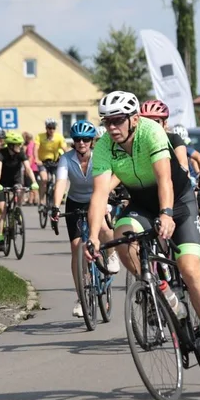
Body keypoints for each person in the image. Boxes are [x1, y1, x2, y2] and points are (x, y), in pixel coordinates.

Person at [86, 90, 200, 377]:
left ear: (134, 119)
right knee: (122, 234)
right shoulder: (104, 146)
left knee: (189, 269)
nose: (112, 127)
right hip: (141, 203)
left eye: (117, 120)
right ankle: (154, 287)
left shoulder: (151, 132)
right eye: (107, 121)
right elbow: (100, 193)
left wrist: (166, 213)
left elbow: (165, 177)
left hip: (177, 200)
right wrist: (92, 235)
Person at [49, 120, 121, 317]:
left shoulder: (100, 156)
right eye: (78, 139)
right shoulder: (66, 159)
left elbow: (112, 176)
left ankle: (112, 255)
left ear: (92, 141)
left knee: (105, 230)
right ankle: (82, 296)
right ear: (73, 141)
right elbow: (61, 183)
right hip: (75, 202)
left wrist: (107, 197)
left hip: (99, 198)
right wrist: (55, 206)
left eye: (86, 139)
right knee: (76, 248)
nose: (82, 143)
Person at [0, 130, 35, 251]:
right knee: (2, 209)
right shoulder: (1, 154)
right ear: (10, 145)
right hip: (1, 183)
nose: (20, 147)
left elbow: (28, 168)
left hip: (15, 180)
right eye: (17, 145)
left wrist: (34, 182)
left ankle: (17, 210)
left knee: (20, 190)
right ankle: (1, 236)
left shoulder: (21, 153)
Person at [36, 118, 67, 202]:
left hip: (55, 161)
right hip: (43, 162)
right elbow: (36, 148)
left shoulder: (58, 137)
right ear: (46, 128)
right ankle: (41, 201)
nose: (51, 130)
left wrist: (69, 158)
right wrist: (36, 159)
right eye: (49, 128)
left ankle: (59, 195)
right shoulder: (40, 136)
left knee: (60, 178)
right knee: (44, 179)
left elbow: (64, 148)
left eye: (53, 128)